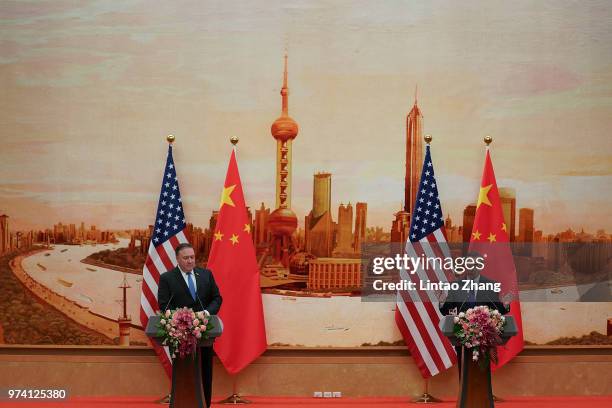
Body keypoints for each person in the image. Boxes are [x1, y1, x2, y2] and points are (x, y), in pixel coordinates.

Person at [158, 243, 222, 408]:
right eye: (186, 258)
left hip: (204, 334)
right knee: (184, 375)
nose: (190, 261)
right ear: (178, 259)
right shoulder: (167, 278)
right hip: (180, 337)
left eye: (192, 257)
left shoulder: (206, 275)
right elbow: (164, 305)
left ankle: (205, 405)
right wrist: (180, 319)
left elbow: (217, 298)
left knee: (205, 374)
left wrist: (207, 313)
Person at [439, 251, 509, 378]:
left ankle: (483, 396)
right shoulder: (455, 285)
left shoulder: (491, 285)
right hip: (462, 336)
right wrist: (442, 302)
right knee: (465, 372)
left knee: (482, 371)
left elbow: (499, 309)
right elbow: (446, 310)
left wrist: (505, 305)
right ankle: (465, 396)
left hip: (485, 337)